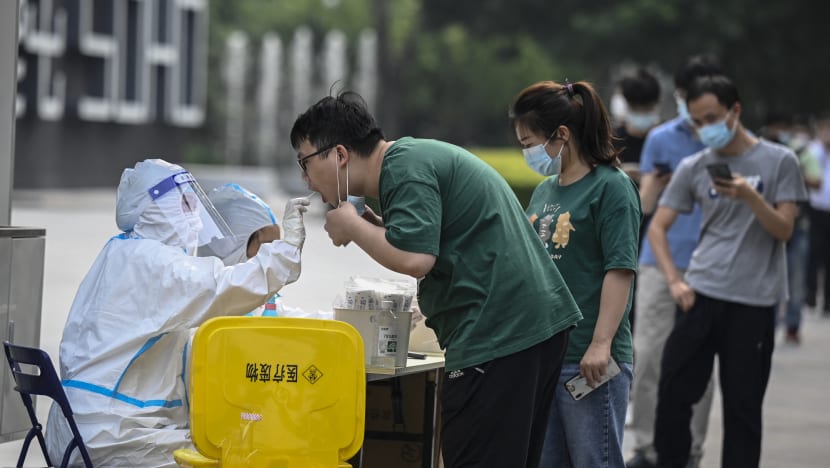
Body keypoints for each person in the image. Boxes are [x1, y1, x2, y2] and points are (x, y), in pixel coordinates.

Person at [290, 91, 582, 468]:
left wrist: (351, 225)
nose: (306, 180)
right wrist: (372, 228)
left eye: (306, 162)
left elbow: (415, 259)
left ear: (340, 154)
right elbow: (428, 243)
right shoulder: (410, 161)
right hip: (529, 329)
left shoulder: (402, 166)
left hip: (498, 333)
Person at [44, 159, 310, 467]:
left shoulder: (119, 252)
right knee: (233, 454)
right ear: (155, 206)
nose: (196, 218)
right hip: (113, 434)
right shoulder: (151, 262)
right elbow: (223, 288)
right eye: (185, 204)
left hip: (81, 426)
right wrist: (287, 248)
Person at [649, 75, 808, 468]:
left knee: (742, 410)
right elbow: (657, 226)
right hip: (700, 295)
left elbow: (784, 230)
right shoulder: (695, 165)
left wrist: (752, 197)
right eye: (698, 121)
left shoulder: (779, 161)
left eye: (712, 118)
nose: (706, 128)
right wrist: (673, 280)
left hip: (752, 304)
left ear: (735, 112)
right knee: (671, 395)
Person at [510, 80, 641, 468]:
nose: (527, 153)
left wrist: (601, 344)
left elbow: (620, 270)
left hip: (589, 361)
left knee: (594, 461)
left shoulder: (612, 188)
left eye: (529, 142)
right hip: (546, 357)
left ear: (562, 135)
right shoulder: (545, 192)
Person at [626, 54, 721, 468]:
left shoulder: (729, 140)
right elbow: (647, 205)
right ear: (680, 96)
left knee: (700, 366)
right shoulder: (662, 138)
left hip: (712, 267)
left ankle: (691, 453)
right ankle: (648, 447)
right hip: (657, 260)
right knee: (647, 357)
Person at [761, 113, 822, 343]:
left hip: (799, 226)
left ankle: (793, 326)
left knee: (795, 280)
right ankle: (770, 323)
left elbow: (817, 181)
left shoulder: (801, 153)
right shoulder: (761, 151)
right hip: (767, 226)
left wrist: (794, 174)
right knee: (769, 279)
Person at [201, 182, 284, 316]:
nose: (271, 256)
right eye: (265, 246)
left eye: (275, 247)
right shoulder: (195, 293)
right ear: (232, 244)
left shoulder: (256, 292)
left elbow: (281, 316)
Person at [613, 67, 662, 186]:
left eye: (646, 109)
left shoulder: (667, 137)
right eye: (635, 109)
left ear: (658, 103)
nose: (641, 114)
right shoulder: (612, 140)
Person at [805, 114, 830, 315]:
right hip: (816, 207)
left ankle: (828, 301)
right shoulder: (813, 151)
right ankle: (811, 293)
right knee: (814, 252)